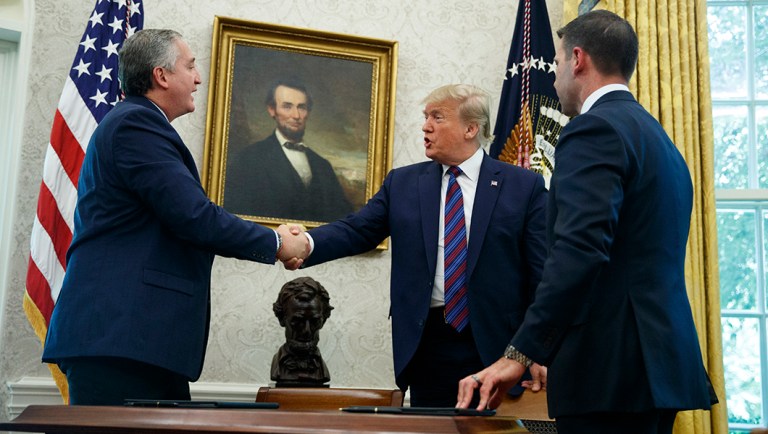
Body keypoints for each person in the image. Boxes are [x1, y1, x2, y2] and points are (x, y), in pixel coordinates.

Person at [457, 10, 717, 434]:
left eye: (558, 64)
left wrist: (518, 354)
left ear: (577, 59)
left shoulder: (593, 130)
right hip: (657, 364)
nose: (555, 77)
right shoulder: (657, 138)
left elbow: (578, 253)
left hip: (610, 369)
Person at [41, 29, 308, 405]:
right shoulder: (137, 124)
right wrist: (277, 243)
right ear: (161, 76)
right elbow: (193, 216)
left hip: (134, 341)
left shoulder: (135, 123)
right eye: (191, 66)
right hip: (121, 340)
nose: (198, 78)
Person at [287, 84, 547, 407]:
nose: (426, 126)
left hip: (498, 349)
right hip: (428, 347)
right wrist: (306, 244)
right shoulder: (403, 183)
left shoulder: (523, 186)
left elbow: (542, 276)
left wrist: (536, 348)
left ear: (471, 128)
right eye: (426, 117)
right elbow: (357, 230)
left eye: (437, 117)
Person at [224, 78, 354, 222]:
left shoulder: (323, 166)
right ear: (272, 110)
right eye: (287, 106)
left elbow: (343, 219)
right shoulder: (248, 159)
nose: (296, 115)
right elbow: (235, 216)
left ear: (308, 112)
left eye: (301, 107)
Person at [270, 277, 334, 386]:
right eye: (298, 321)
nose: (307, 331)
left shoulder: (321, 369)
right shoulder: (278, 366)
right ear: (282, 318)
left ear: (324, 320)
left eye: (314, 322)